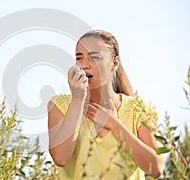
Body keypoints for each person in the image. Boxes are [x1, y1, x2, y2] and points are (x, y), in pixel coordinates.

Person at [47, 30, 164, 179]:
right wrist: (77, 99)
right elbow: (60, 158)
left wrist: (113, 124)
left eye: (94, 57)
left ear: (115, 63)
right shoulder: (60, 106)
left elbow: (156, 168)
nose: (84, 65)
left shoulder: (137, 110)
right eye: (79, 58)